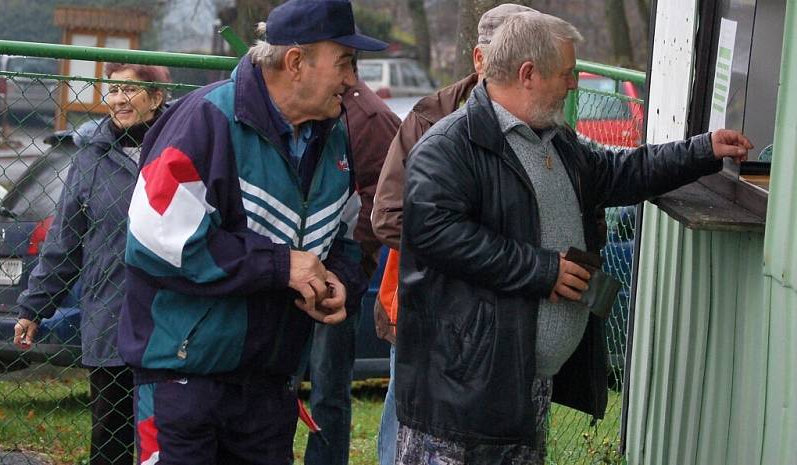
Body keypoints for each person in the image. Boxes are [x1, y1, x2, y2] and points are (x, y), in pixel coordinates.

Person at [394, 11, 753, 465]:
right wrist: (542, 270)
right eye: (566, 74)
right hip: (462, 396)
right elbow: (437, 234)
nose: (572, 86)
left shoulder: (555, 140)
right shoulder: (449, 147)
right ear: (528, 74)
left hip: (526, 384)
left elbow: (621, 173)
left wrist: (703, 151)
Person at [116, 0, 386, 463]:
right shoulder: (205, 120)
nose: (351, 80)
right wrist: (280, 266)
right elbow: (157, 239)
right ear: (296, 62)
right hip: (185, 381)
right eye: (344, 62)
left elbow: (341, 230)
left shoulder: (333, 135)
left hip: (270, 385)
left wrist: (338, 276)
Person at [370, 5, 537, 465]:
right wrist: (469, 246)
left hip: (505, 314)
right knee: (405, 430)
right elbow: (386, 217)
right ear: (479, 59)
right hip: (426, 311)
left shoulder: (538, 122)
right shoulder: (429, 120)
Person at [13, 63, 171, 465]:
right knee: (110, 435)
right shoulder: (91, 158)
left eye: (129, 90)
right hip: (110, 317)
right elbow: (65, 242)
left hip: (171, 318)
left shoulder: (181, 148)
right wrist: (34, 308)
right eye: (112, 90)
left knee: (172, 433)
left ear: (157, 98)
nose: (118, 100)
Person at [302, 56, 400, 465]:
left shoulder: (370, 118)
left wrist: (343, 266)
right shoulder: (310, 105)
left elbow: (382, 203)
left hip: (336, 279)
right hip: (288, 271)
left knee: (328, 392)